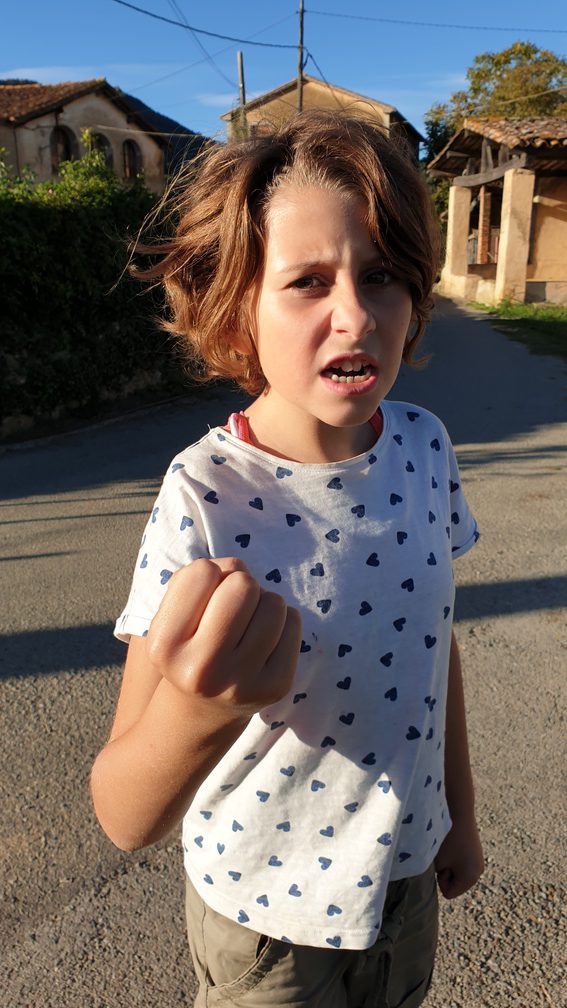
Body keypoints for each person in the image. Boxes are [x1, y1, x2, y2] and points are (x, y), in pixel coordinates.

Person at [91, 110, 484, 1008]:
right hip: (267, 921)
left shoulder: (424, 446)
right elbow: (122, 813)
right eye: (307, 281)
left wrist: (457, 815)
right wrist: (196, 709)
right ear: (237, 313)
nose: (355, 314)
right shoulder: (204, 494)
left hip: (405, 885)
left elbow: (435, 645)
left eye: (381, 275)